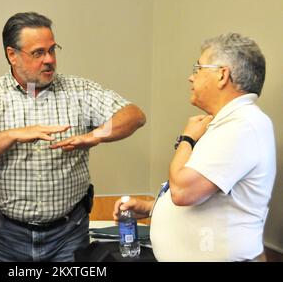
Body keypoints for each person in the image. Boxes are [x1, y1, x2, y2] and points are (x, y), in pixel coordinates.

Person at [0, 12, 146, 262]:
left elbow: (134, 115)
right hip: (4, 236)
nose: (49, 60)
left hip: (68, 234)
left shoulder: (79, 90)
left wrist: (96, 135)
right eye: (38, 53)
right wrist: (13, 135)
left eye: (52, 50)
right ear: (12, 55)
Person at [113, 33, 276, 262]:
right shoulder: (228, 123)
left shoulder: (243, 125)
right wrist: (153, 207)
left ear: (222, 75)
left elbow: (183, 191)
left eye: (198, 68)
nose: (191, 77)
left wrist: (187, 139)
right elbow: (209, 199)